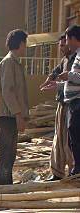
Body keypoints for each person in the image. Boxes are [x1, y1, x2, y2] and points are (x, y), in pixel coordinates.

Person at [0, 29, 29, 185]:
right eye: (25, 43)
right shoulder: (8, 63)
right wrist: (18, 114)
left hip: (11, 115)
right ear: (20, 43)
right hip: (8, 115)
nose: (26, 47)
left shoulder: (15, 63)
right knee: (6, 152)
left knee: (10, 153)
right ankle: (2, 186)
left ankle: (6, 184)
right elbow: (8, 91)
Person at [40, 35, 75, 180]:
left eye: (63, 44)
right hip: (62, 104)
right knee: (59, 139)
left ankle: (73, 170)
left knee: (70, 140)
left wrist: (57, 84)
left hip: (72, 105)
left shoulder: (75, 60)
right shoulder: (66, 59)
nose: (61, 48)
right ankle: (57, 171)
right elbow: (56, 71)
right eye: (60, 45)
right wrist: (50, 78)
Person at [63, 25, 80, 176]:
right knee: (73, 139)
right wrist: (58, 85)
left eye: (67, 39)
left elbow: (77, 78)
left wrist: (68, 75)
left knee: (76, 138)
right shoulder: (77, 55)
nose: (66, 42)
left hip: (78, 104)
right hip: (73, 103)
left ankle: (78, 170)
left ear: (74, 39)